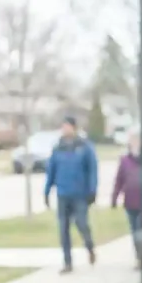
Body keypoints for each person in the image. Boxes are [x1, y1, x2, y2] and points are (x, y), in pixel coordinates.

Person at [44, 116, 98, 274]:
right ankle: (67, 262)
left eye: (68, 126)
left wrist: (92, 190)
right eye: (63, 126)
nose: (65, 129)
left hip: (80, 194)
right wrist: (47, 192)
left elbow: (92, 170)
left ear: (74, 128)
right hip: (63, 194)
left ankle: (90, 247)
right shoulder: (57, 148)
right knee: (63, 229)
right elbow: (51, 172)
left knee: (82, 224)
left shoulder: (84, 147)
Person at [111, 127, 141, 264]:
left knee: (141, 232)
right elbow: (119, 180)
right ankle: (139, 257)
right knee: (134, 232)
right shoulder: (124, 160)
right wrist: (114, 198)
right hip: (130, 203)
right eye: (132, 141)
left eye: (136, 141)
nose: (134, 144)